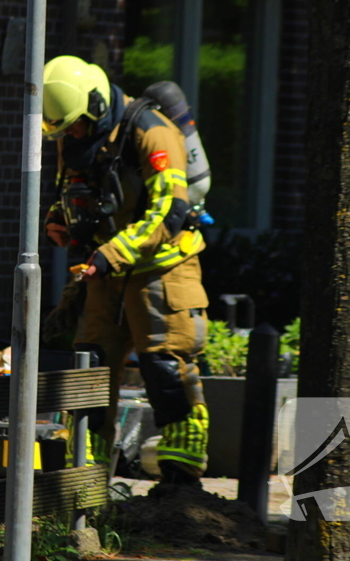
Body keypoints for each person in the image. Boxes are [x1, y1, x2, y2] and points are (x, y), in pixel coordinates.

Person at [41, 55, 210, 485]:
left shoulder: (152, 131)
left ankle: (181, 488)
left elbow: (168, 212)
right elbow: (75, 193)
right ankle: (84, 476)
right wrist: (58, 221)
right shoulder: (75, 135)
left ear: (96, 105)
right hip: (106, 272)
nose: (72, 136)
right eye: (64, 130)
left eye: (76, 126)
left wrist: (108, 255)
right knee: (91, 369)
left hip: (162, 270)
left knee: (166, 367)